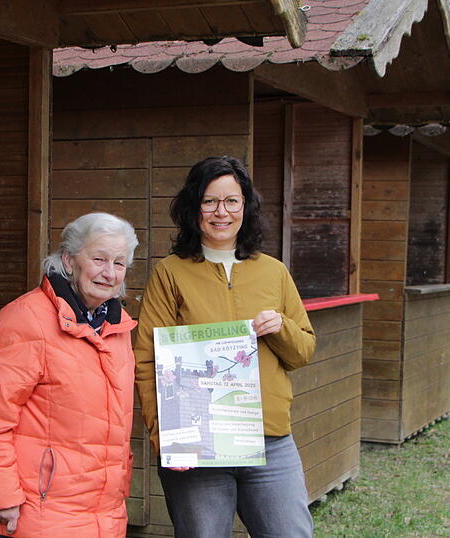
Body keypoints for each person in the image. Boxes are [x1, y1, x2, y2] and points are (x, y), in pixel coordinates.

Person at [134, 156, 317, 537]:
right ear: (193, 207)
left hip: (270, 440)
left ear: (246, 207)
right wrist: (165, 438)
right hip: (198, 444)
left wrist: (280, 327)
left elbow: (303, 352)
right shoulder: (170, 272)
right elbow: (148, 359)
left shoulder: (274, 271)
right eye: (209, 201)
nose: (222, 212)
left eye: (232, 201)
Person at [0, 212, 139, 537]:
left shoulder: (118, 326)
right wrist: (1, 496)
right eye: (99, 259)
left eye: (119, 263)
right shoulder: (26, 319)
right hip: (42, 511)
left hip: (107, 513)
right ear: (69, 261)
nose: (109, 272)